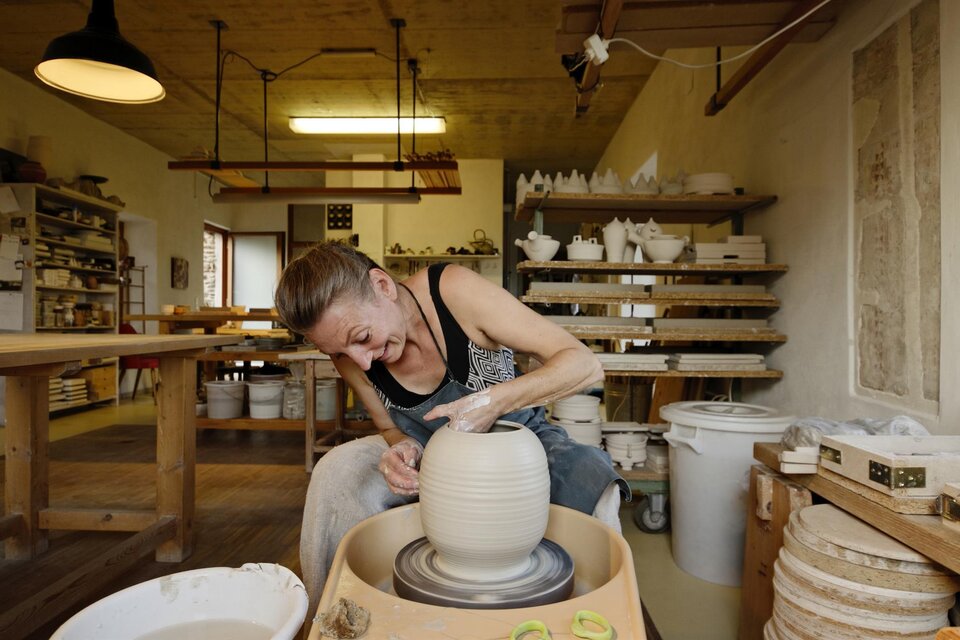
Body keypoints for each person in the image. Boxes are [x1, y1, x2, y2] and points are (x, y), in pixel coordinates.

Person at [274, 241, 629, 615]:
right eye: (341, 354)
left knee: (598, 487)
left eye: (361, 338)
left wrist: (492, 402)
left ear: (382, 286)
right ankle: (331, 619)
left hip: (518, 441)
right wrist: (399, 448)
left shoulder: (454, 292)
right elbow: (390, 429)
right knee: (337, 471)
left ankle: (606, 617)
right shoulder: (351, 354)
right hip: (429, 455)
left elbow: (584, 364)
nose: (360, 361)